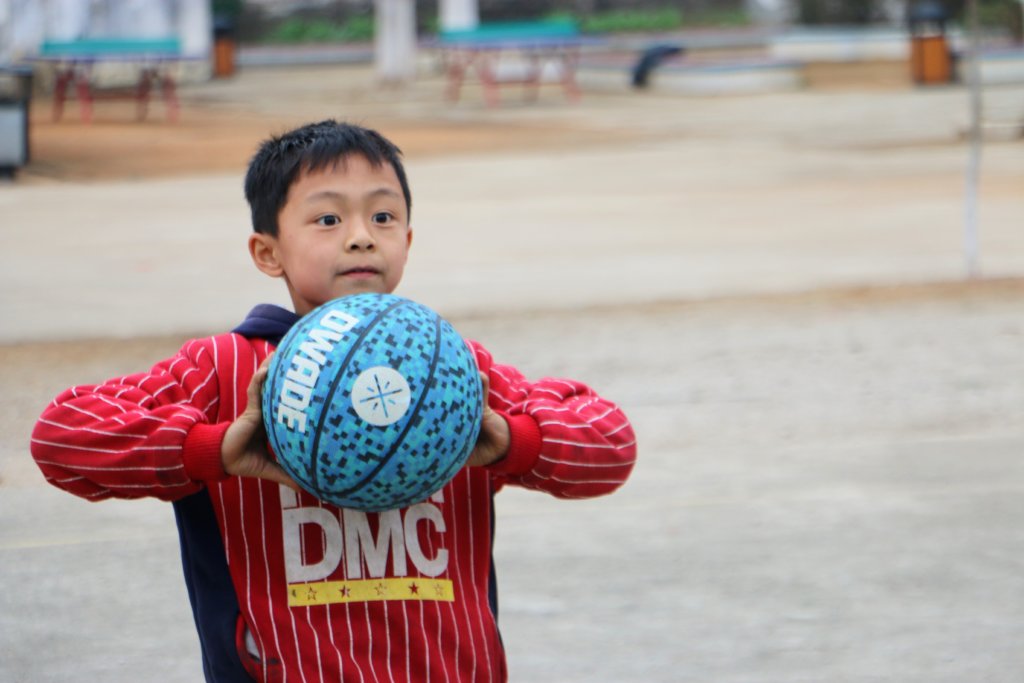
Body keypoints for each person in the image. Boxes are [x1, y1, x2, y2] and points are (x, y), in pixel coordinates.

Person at [30, 120, 637, 682]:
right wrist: (208, 449)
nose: (359, 239)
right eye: (327, 221)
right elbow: (61, 436)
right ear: (268, 252)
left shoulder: (453, 372)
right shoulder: (223, 371)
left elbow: (610, 444)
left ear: (408, 238)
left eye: (383, 217)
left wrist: (510, 441)